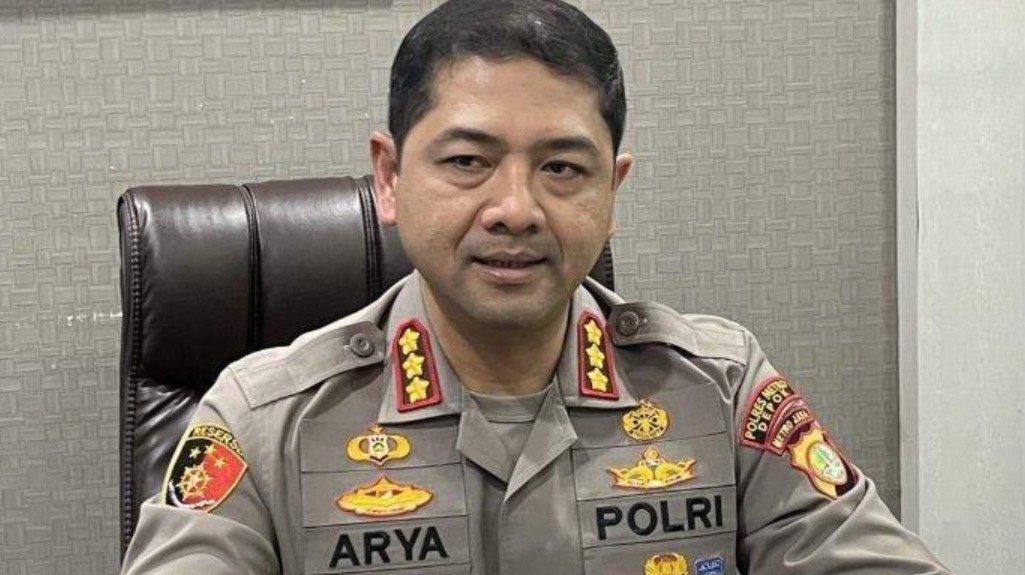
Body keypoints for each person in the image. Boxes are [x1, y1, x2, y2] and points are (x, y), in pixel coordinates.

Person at [121, 1, 951, 573]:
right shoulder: (265, 418)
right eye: (466, 161)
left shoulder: (720, 385)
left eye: (561, 168)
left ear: (611, 191)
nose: (514, 208)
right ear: (389, 176)